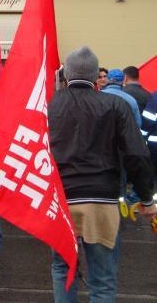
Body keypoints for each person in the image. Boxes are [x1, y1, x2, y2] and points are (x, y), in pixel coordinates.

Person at [48, 46, 155, 302]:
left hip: (61, 201)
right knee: (103, 281)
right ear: (97, 75)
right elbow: (136, 154)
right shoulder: (115, 105)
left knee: (63, 270)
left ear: (66, 74)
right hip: (102, 200)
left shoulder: (49, 107)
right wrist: (146, 199)